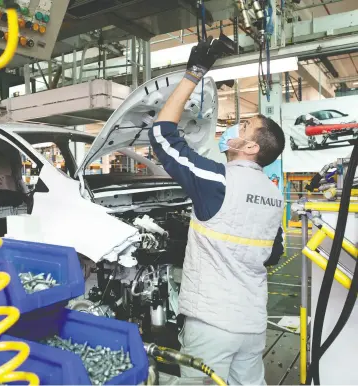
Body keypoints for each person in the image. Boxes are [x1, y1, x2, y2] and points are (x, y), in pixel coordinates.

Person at [148, 37, 285, 385]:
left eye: (243, 127)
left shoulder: (218, 178)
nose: (233, 127)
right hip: (252, 325)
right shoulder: (273, 195)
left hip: (212, 325)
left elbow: (163, 137)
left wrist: (194, 73)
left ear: (251, 146)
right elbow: (272, 254)